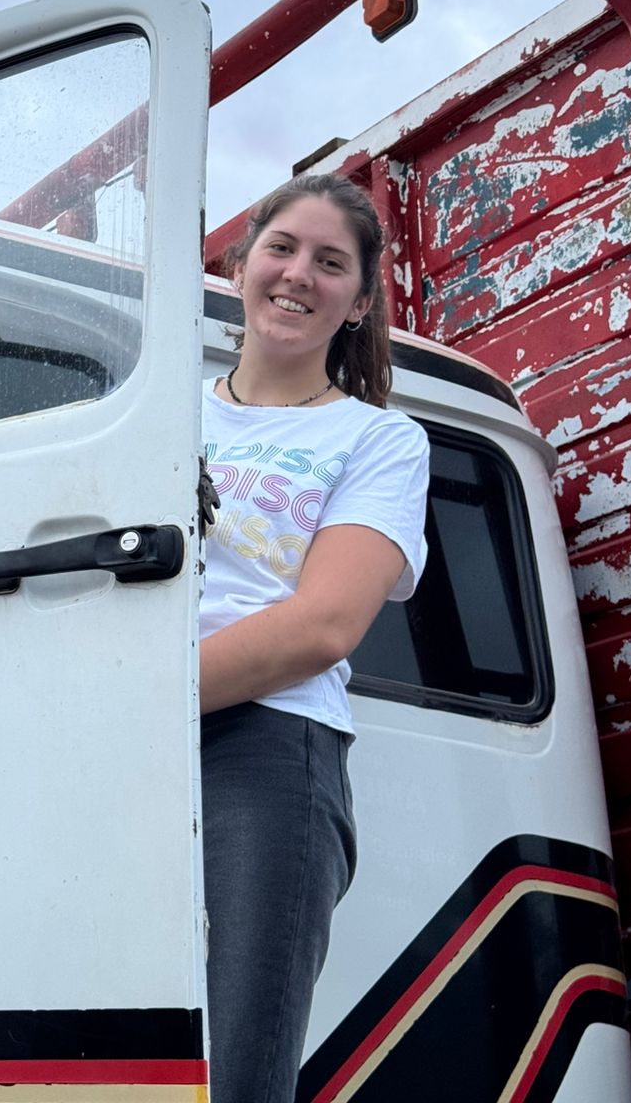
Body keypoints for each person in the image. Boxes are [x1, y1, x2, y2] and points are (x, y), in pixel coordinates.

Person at [200, 172, 429, 1103]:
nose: (299, 275)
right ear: (240, 263)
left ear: (360, 300)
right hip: (120, 735)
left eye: (331, 264)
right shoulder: (153, 407)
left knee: (238, 1078)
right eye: (282, 248)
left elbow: (326, 624)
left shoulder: (380, 441)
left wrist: (125, 695)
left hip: (268, 747)